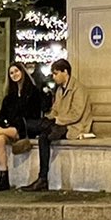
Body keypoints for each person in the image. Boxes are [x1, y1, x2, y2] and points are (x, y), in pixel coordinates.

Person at [0, 60, 46, 192]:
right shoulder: (10, 96)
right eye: (11, 73)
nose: (14, 74)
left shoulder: (33, 91)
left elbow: (33, 114)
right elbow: (1, 116)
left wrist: (10, 122)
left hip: (25, 128)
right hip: (11, 129)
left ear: (22, 72)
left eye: (16, 71)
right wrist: (4, 124)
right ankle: (3, 177)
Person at [35, 57, 92, 191]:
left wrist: (56, 120)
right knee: (43, 134)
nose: (54, 77)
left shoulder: (79, 89)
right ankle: (42, 178)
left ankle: (42, 178)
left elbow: (76, 114)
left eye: (56, 73)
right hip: (60, 124)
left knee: (45, 133)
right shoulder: (60, 90)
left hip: (74, 127)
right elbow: (55, 109)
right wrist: (49, 118)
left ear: (65, 72)